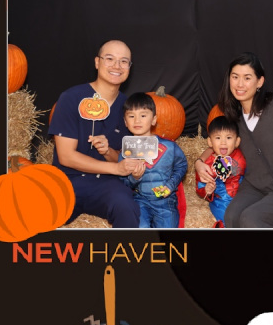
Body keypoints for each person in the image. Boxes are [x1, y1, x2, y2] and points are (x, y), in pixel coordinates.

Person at [195, 53, 273, 230]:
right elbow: (218, 145)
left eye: (247, 78)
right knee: (231, 216)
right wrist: (199, 162)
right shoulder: (233, 116)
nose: (240, 84)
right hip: (255, 185)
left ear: (259, 82)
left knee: (250, 220)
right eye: (235, 77)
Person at [49, 40, 144, 228]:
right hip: (67, 181)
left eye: (124, 61)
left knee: (126, 206)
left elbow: (123, 159)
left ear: (129, 67)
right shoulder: (71, 98)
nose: (117, 66)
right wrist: (116, 168)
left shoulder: (130, 109)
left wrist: (108, 152)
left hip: (106, 185)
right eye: (109, 59)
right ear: (97, 62)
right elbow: (66, 156)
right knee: (39, 215)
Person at [122, 94, 187, 227]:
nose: (137, 120)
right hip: (140, 200)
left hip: (165, 202)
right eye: (131, 116)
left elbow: (182, 165)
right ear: (125, 122)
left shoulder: (169, 147)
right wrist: (134, 178)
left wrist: (170, 185)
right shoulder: (126, 151)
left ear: (154, 120)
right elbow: (123, 181)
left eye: (143, 115)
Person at [195, 115, 246, 227]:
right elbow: (200, 185)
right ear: (210, 142)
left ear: (237, 141)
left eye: (229, 138)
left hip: (243, 196)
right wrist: (207, 190)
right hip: (221, 201)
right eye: (218, 138)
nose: (223, 142)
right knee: (227, 218)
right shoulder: (207, 165)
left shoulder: (241, 155)